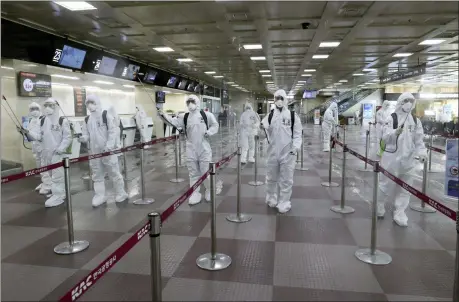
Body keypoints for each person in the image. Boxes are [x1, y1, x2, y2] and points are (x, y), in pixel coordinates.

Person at [378, 92, 427, 227]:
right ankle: (380, 205)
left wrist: (422, 152)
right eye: (406, 100)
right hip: (391, 158)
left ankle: (400, 212)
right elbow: (384, 138)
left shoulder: (415, 121)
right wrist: (394, 133)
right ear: (400, 102)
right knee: (385, 184)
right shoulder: (391, 118)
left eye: (411, 101)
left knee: (406, 188)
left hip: (409, 160)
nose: (408, 103)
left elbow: (419, 140)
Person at [158, 94, 218, 205]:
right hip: (190, 148)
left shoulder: (206, 115)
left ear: (197, 102)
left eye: (192, 101)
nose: (190, 104)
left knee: (206, 171)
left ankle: (210, 190)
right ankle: (195, 192)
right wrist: (163, 115)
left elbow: (215, 125)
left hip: (204, 148)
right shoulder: (184, 117)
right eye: (188, 102)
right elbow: (172, 122)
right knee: (193, 172)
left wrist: (209, 132)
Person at [78, 95, 128, 207]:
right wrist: (83, 138)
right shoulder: (87, 120)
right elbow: (86, 133)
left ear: (97, 103)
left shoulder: (105, 115)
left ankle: (121, 193)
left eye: (92, 102)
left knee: (114, 172)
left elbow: (113, 131)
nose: (90, 105)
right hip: (95, 153)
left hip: (108, 151)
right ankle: (100, 195)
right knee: (97, 175)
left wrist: (109, 146)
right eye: (88, 103)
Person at [22, 98, 72, 207]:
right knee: (51, 175)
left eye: (51, 105)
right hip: (47, 154)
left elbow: (67, 137)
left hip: (58, 154)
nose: (48, 108)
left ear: (56, 106)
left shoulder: (62, 121)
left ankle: (59, 196)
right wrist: (28, 133)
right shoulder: (43, 120)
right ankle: (57, 192)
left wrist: (60, 149)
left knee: (58, 175)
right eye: (46, 106)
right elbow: (39, 136)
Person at [261, 89, 302, 214]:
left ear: (285, 100)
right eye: (277, 98)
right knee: (271, 177)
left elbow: (297, 134)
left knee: (286, 179)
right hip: (272, 152)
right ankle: (271, 197)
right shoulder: (270, 116)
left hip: (288, 153)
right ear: (274, 99)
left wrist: (295, 148)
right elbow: (263, 130)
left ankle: (284, 201)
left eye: (281, 98)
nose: (279, 100)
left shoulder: (293, 116)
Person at [26, 102, 45, 191]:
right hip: (35, 147)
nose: (34, 111)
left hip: (43, 147)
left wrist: (29, 132)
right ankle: (44, 182)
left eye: (36, 109)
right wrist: (24, 133)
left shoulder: (43, 120)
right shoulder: (30, 120)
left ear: (39, 110)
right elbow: (30, 135)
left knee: (44, 165)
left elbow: (41, 137)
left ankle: (48, 184)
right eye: (32, 109)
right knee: (39, 166)